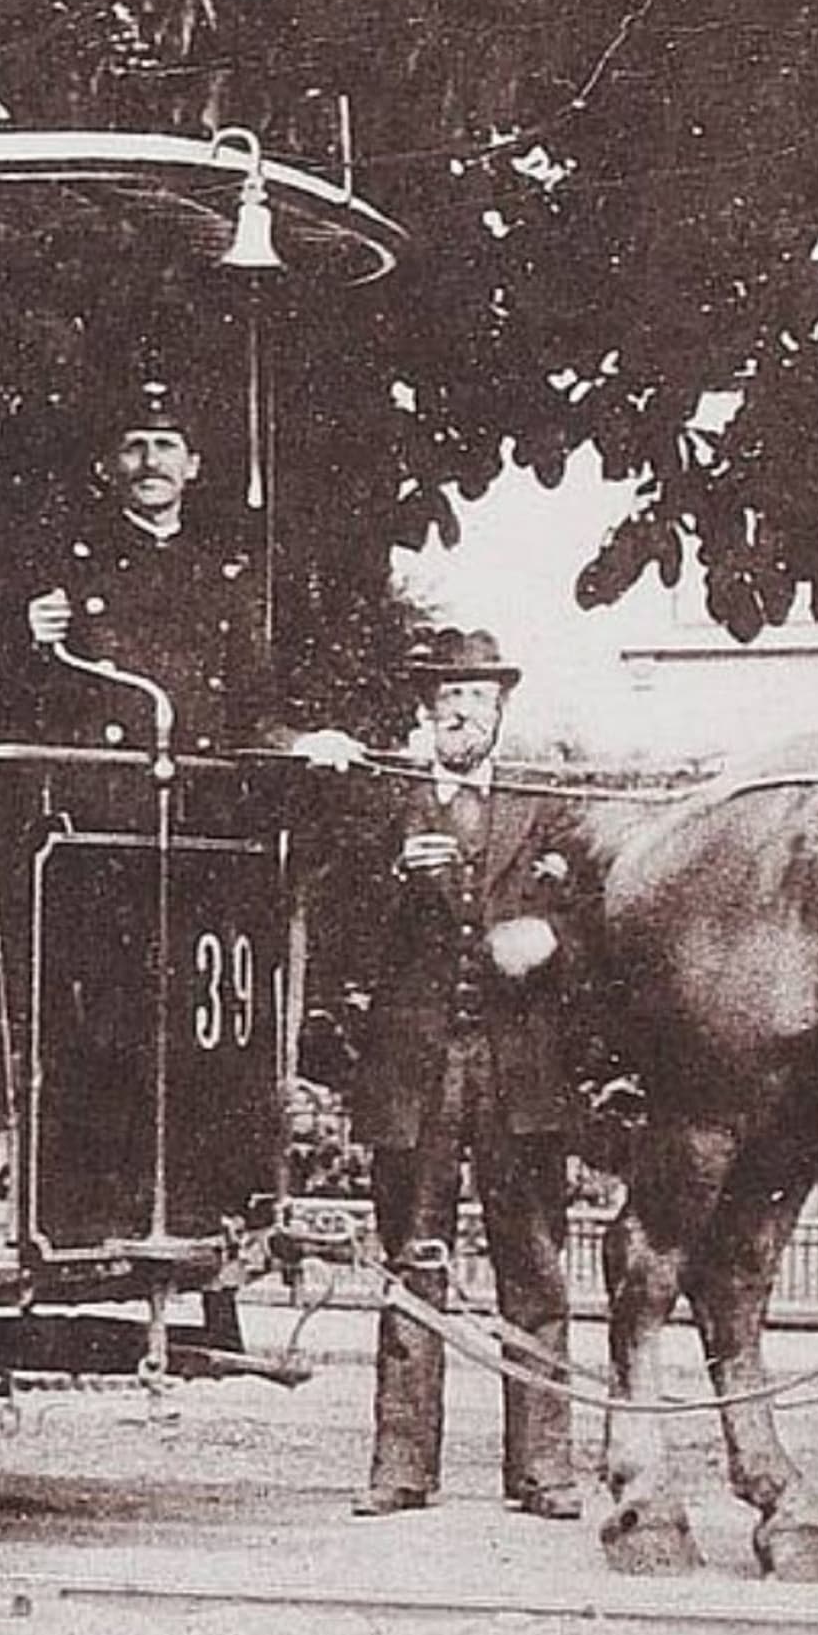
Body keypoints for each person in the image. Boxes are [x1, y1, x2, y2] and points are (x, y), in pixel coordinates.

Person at [295, 627, 582, 1519]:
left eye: (479, 699)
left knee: (533, 1269)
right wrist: (392, 875)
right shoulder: (389, 803)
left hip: (520, 1071)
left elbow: (593, 922)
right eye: (449, 699)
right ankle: (401, 1468)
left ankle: (544, 1470)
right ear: (426, 712)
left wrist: (550, 939)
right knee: (412, 1266)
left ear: (501, 711)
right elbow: (336, 926)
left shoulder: (544, 807)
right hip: (414, 1071)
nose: (464, 714)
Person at [8, 380, 273, 754]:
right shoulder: (66, 566)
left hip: (200, 774)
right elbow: (26, 693)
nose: (151, 463)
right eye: (134, 447)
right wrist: (32, 638)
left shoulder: (223, 574)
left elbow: (250, 705)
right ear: (105, 468)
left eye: (166, 446)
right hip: (104, 773)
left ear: (192, 467)